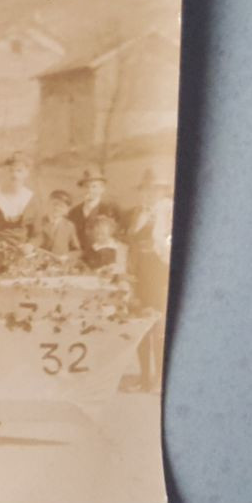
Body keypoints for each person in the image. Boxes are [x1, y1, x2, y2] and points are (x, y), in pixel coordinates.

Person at [126, 168, 173, 392]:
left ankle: (160, 379)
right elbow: (131, 241)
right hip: (141, 270)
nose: (150, 193)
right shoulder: (138, 213)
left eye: (154, 189)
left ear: (162, 190)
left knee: (158, 323)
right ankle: (144, 376)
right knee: (142, 324)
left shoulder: (169, 210)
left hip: (160, 270)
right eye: (146, 189)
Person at [0, 152, 41, 274]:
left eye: (19, 171)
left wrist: (30, 246)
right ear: (5, 171)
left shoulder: (31, 199)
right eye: (11, 170)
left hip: (21, 256)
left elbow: (37, 234)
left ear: (26, 174)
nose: (14, 175)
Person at [69, 166, 122, 255]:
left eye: (94, 186)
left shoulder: (110, 210)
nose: (90, 190)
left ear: (102, 189)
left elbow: (117, 238)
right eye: (86, 187)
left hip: (102, 257)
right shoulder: (74, 212)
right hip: (78, 259)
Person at [36, 189, 82, 261]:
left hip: (59, 264)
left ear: (67, 210)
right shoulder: (40, 222)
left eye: (61, 206)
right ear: (48, 204)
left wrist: (67, 256)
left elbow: (77, 250)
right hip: (40, 261)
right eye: (54, 204)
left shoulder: (69, 226)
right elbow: (34, 240)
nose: (57, 208)